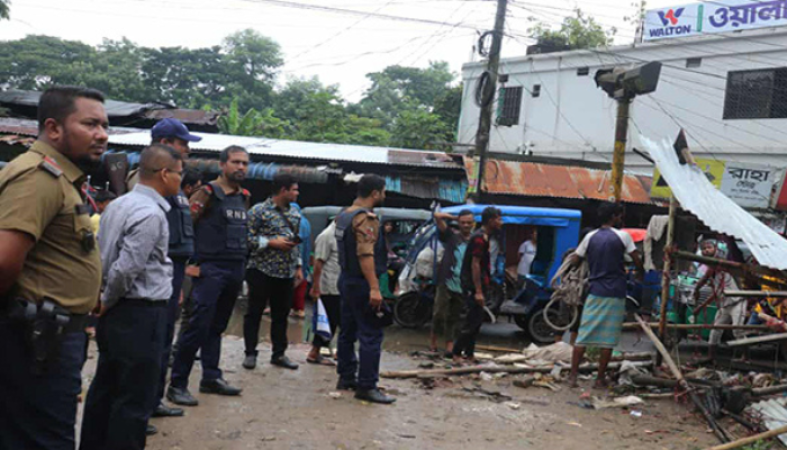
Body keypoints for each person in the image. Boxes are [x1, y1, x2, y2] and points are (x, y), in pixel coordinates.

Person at [0, 86, 107, 450]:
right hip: (34, 338)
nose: (102, 134)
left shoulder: (62, 178)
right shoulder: (38, 177)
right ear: (54, 128)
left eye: (104, 125)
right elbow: (4, 262)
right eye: (90, 124)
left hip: (50, 337)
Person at [80, 144, 182, 450]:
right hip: (138, 313)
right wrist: (108, 299)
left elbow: (102, 255)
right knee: (134, 398)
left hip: (117, 312)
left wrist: (103, 298)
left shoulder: (118, 204)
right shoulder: (150, 214)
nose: (181, 180)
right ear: (164, 174)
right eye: (179, 173)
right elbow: (126, 269)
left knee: (106, 387)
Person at [168, 146, 250, 406]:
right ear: (223, 165)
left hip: (235, 267)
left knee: (217, 327)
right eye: (235, 162)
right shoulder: (207, 193)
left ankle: (211, 377)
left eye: (244, 163)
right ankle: (177, 384)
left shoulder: (244, 197)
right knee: (197, 327)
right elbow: (185, 227)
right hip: (210, 268)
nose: (241, 167)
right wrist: (189, 264)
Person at [147, 119, 203, 420]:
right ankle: (142, 405)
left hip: (173, 273)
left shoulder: (174, 183)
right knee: (151, 342)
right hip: (157, 274)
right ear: (166, 142)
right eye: (183, 143)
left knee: (163, 340)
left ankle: (153, 399)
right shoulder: (150, 180)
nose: (188, 149)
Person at [567, 202, 643, 388]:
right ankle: (599, 379)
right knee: (608, 339)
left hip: (594, 291)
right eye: (619, 215)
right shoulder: (623, 236)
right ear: (614, 217)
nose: (621, 218)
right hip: (616, 292)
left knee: (583, 335)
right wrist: (639, 273)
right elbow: (637, 260)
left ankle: (573, 376)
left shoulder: (590, 237)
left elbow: (574, 261)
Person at [335, 174, 395, 404]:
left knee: (347, 331)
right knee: (371, 333)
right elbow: (365, 254)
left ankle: (346, 376)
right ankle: (367, 385)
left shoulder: (344, 215)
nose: (385, 196)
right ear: (375, 193)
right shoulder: (365, 219)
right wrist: (374, 288)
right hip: (361, 282)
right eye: (383, 192)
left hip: (346, 278)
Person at [243, 173, 303, 370]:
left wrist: (298, 266)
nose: (297, 193)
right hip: (261, 270)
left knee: (281, 315)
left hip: (285, 273)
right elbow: (246, 239)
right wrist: (271, 243)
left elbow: (296, 241)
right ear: (283, 190)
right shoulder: (258, 211)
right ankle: (250, 353)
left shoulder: (295, 214)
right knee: (254, 313)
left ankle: (279, 354)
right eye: (294, 189)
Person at [452, 207, 503, 364]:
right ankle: (456, 353)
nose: (501, 222)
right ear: (491, 221)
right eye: (498, 219)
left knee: (477, 321)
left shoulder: (485, 237)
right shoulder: (479, 238)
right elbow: (475, 264)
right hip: (472, 286)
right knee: (471, 321)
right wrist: (478, 291)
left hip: (479, 284)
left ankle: (469, 354)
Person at [429, 210, 475, 356]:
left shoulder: (475, 240)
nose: (466, 225)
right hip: (446, 280)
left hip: (462, 283)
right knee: (439, 313)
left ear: (473, 224)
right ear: (458, 223)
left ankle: (449, 345)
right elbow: (437, 215)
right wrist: (455, 216)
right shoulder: (451, 236)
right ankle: (433, 342)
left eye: (469, 222)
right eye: (463, 222)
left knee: (454, 316)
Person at [692, 240, 745, 357]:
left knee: (737, 330)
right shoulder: (712, 273)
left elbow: (705, 278)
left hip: (737, 302)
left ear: (715, 248)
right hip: (724, 305)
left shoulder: (721, 264)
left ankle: (745, 357)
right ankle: (711, 358)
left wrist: (697, 289)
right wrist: (700, 307)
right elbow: (716, 293)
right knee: (715, 332)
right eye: (704, 249)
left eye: (709, 247)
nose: (707, 250)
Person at [126, 118, 201, 190]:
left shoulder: (171, 178)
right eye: (183, 144)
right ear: (164, 142)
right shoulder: (144, 180)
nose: (188, 150)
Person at [307, 214, 342, 366]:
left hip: (339, 285)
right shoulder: (326, 236)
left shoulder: (341, 236)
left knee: (337, 320)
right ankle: (314, 352)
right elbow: (318, 263)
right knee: (328, 321)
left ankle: (338, 352)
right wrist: (316, 287)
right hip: (328, 286)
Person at [291, 203, 311, 319]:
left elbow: (297, 244)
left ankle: (297, 308)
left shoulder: (297, 223)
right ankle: (298, 308)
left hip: (297, 258)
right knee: (302, 281)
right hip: (305, 256)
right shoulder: (305, 221)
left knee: (294, 283)